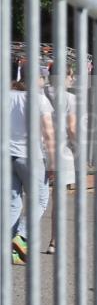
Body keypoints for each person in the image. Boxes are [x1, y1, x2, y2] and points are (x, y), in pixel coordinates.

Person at [10, 59, 56, 264]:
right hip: (29, 155)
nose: (44, 81)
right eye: (42, 77)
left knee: (13, 203)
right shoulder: (38, 99)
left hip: (6, 156)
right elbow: (48, 132)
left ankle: (10, 248)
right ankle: (22, 236)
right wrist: (53, 161)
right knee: (40, 199)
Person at [43, 63, 77, 254]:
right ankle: (54, 242)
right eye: (70, 76)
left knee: (34, 198)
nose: (72, 79)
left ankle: (21, 236)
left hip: (37, 150)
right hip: (61, 151)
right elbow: (72, 128)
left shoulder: (38, 93)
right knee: (58, 200)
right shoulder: (70, 98)